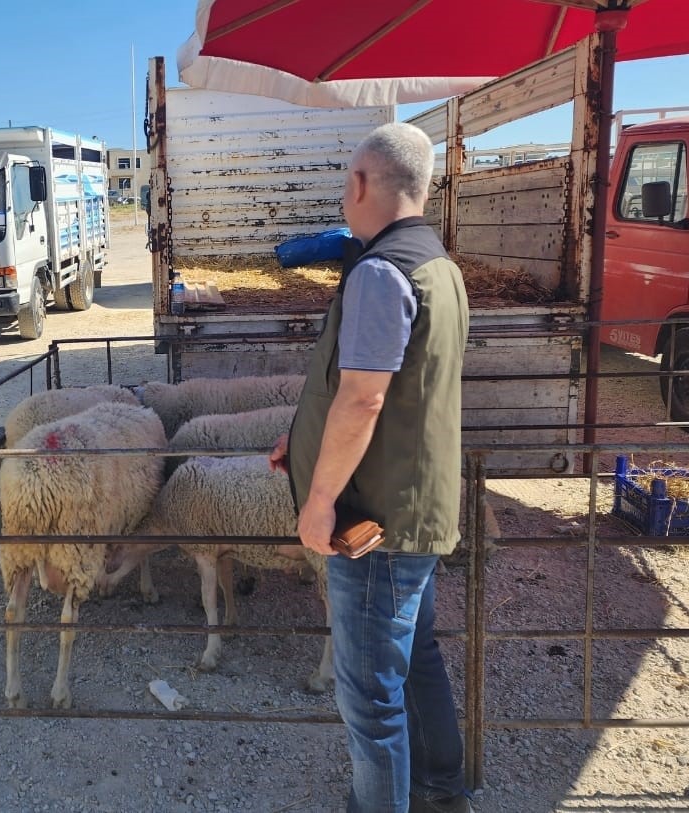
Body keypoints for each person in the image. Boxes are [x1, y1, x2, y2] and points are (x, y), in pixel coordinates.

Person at [271, 123, 471, 813]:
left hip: (375, 519)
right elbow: (395, 388)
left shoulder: (381, 272)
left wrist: (318, 497)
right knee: (414, 660)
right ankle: (443, 792)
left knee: (369, 697)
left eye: (343, 184)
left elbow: (364, 395)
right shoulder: (437, 264)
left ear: (360, 184)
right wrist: (297, 438)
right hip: (417, 501)